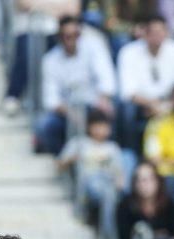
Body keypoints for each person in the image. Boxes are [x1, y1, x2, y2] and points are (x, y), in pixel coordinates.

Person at [35, 16, 116, 154]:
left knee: (115, 111)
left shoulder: (94, 47)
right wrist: (72, 114)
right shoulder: (50, 60)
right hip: (66, 111)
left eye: (76, 35)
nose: (72, 40)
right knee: (46, 125)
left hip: (95, 106)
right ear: (59, 37)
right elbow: (51, 100)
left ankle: (109, 156)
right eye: (67, 36)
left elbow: (107, 80)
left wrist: (103, 100)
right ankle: (63, 163)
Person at [117, 15, 174, 151]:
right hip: (141, 105)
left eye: (161, 32)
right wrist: (153, 105)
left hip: (171, 102)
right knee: (126, 109)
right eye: (153, 33)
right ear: (144, 34)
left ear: (167, 33)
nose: (157, 37)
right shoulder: (128, 52)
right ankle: (130, 153)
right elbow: (128, 92)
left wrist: (169, 105)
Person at [58, 109, 125, 225]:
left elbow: (119, 172)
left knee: (109, 195)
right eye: (98, 126)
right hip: (87, 185)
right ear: (90, 127)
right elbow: (60, 164)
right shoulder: (79, 144)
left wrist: (120, 183)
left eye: (104, 126)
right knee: (102, 191)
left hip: (108, 183)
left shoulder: (112, 148)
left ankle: (106, 229)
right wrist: (72, 159)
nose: (101, 130)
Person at [116, 162, 174, 239]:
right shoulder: (125, 205)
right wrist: (154, 235)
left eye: (148, 180)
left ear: (157, 181)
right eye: (139, 180)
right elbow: (124, 237)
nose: (143, 184)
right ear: (134, 184)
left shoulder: (169, 203)